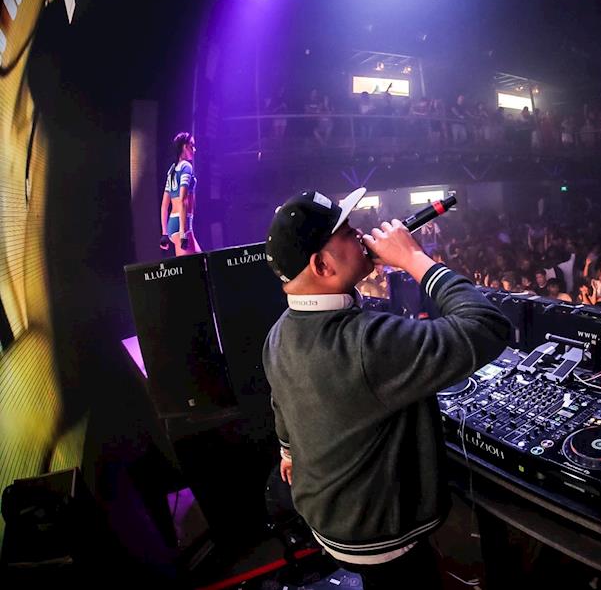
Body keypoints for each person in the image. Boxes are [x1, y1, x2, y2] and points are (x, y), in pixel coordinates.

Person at [262, 187, 510, 589]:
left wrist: (288, 451)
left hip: (327, 515)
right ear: (322, 265)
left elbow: (282, 401)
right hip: (380, 534)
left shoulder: (279, 332)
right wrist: (414, 258)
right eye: (347, 233)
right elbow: (487, 327)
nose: (362, 235)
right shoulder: (367, 344)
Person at [160, 132, 201, 255]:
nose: (194, 150)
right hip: (182, 224)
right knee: (193, 265)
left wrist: (165, 233)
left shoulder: (172, 170)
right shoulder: (186, 167)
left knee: (200, 261)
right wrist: (183, 233)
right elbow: (183, 200)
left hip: (174, 224)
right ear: (184, 146)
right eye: (192, 146)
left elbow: (164, 206)